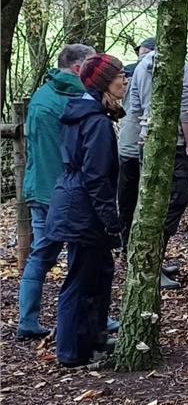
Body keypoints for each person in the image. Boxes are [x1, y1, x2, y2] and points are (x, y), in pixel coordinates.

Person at [45, 54, 126, 367]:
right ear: (104, 82)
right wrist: (110, 222)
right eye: (118, 74)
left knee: (99, 274)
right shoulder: (94, 122)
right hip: (82, 212)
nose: (124, 79)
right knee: (81, 280)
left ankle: (93, 338)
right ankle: (72, 353)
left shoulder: (90, 115)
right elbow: (95, 177)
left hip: (78, 207)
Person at [17, 44, 96, 340]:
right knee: (83, 255)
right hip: (64, 191)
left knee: (42, 254)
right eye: (91, 63)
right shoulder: (76, 100)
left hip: (39, 186)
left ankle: (27, 319)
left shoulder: (42, 94)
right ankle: (89, 318)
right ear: (77, 68)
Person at [127, 48, 188, 288]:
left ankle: (154, 261)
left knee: (151, 203)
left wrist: (145, 129)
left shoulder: (139, 67)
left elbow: (134, 106)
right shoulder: (179, 64)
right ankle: (152, 265)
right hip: (172, 142)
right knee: (175, 199)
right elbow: (185, 104)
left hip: (146, 140)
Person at [117, 37, 155, 249]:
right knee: (128, 200)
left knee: (142, 202)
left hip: (140, 146)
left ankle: (141, 249)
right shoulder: (131, 74)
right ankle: (127, 246)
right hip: (130, 148)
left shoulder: (138, 73)